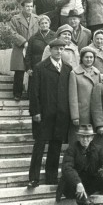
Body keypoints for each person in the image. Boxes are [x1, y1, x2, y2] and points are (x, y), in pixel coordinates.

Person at [27, 37, 71, 188]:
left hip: (60, 115)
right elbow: (34, 92)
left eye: (61, 49)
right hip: (44, 114)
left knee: (56, 146)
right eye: (56, 49)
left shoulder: (67, 69)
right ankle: (33, 178)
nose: (59, 51)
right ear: (50, 50)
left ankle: (51, 177)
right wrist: (35, 111)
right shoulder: (40, 67)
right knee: (39, 145)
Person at [57, 124, 103, 205]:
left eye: (88, 137)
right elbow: (67, 168)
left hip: (89, 184)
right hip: (72, 186)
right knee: (71, 179)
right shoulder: (71, 149)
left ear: (92, 137)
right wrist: (78, 183)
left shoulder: (98, 149)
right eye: (82, 137)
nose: (85, 140)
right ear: (78, 137)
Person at [9, 0, 39, 101]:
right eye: (27, 6)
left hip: (33, 49)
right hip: (19, 48)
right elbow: (12, 33)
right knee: (19, 72)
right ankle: (17, 94)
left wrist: (33, 44)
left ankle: (32, 94)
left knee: (33, 71)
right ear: (22, 7)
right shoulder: (15, 19)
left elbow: (39, 33)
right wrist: (24, 42)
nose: (29, 8)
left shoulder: (37, 18)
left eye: (31, 6)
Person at [69, 46, 101, 133]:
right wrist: (75, 116)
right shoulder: (74, 73)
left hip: (94, 113)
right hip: (82, 113)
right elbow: (73, 97)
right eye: (86, 57)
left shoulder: (97, 73)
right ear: (82, 58)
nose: (89, 59)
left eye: (91, 57)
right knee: (80, 139)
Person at [25, 15, 56, 97]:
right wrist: (28, 68)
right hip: (36, 65)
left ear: (49, 24)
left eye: (46, 23)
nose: (44, 25)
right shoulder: (33, 38)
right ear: (39, 25)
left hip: (50, 64)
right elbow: (28, 54)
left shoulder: (55, 36)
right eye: (42, 23)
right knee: (35, 88)